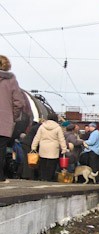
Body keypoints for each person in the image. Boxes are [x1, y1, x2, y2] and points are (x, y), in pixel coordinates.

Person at [0, 55, 27, 183]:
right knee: (1, 148)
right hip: (4, 121)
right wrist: (13, 116)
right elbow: (19, 102)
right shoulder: (11, 80)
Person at [31, 113, 68, 181]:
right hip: (53, 148)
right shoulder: (58, 127)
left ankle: (42, 177)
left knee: (43, 163)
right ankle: (49, 178)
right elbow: (61, 139)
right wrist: (64, 148)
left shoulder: (42, 126)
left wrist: (33, 147)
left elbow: (37, 137)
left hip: (43, 146)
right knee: (51, 164)